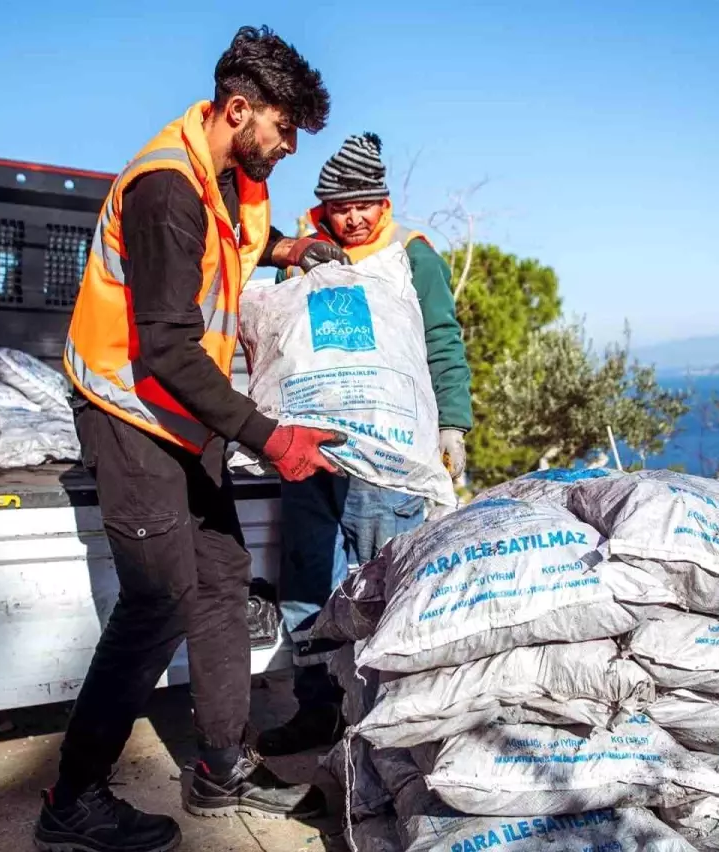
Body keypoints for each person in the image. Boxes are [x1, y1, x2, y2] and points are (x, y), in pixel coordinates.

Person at [34, 26, 352, 852]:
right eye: (283, 131)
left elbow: (241, 251)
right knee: (158, 599)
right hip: (128, 411)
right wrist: (269, 436)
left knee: (221, 577)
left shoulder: (230, 183)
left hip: (183, 416)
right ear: (238, 109)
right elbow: (168, 344)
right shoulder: (167, 189)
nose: (285, 150)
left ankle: (218, 766)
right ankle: (72, 799)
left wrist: (296, 249)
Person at [256, 132, 473, 757]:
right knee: (308, 586)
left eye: (364, 205)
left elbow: (441, 340)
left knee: (385, 586)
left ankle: (386, 724)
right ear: (324, 207)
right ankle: (317, 710)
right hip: (310, 452)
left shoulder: (413, 257)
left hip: (386, 461)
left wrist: (450, 424)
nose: (352, 218)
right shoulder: (301, 253)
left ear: (384, 203)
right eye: (339, 206)